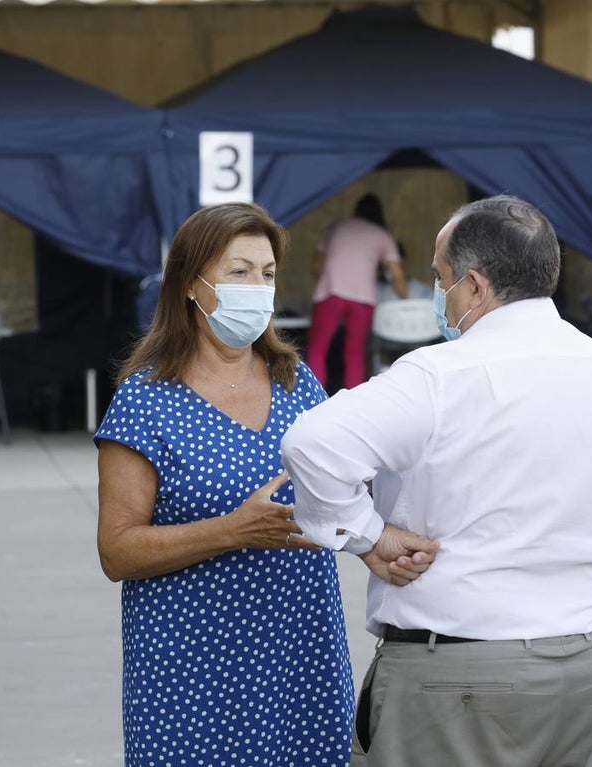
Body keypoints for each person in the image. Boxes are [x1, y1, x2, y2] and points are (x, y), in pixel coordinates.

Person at [282, 195, 592, 767]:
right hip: (587, 665)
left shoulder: (439, 375)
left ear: (474, 287)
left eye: (440, 277)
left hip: (460, 675)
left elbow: (313, 443)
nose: (437, 293)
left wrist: (367, 536)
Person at [94, 202, 436, 767]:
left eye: (267, 273)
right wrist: (231, 531)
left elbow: (344, 490)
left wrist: (374, 541)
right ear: (190, 284)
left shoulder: (297, 381)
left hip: (299, 655)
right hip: (191, 670)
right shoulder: (145, 399)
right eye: (238, 272)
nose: (257, 287)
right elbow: (117, 550)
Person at [307, 193, 405, 389]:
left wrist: (324, 280)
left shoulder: (338, 227)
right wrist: (405, 300)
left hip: (331, 291)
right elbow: (397, 274)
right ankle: (353, 402)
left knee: (318, 349)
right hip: (363, 298)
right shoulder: (382, 235)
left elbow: (317, 263)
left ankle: (313, 399)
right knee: (355, 353)